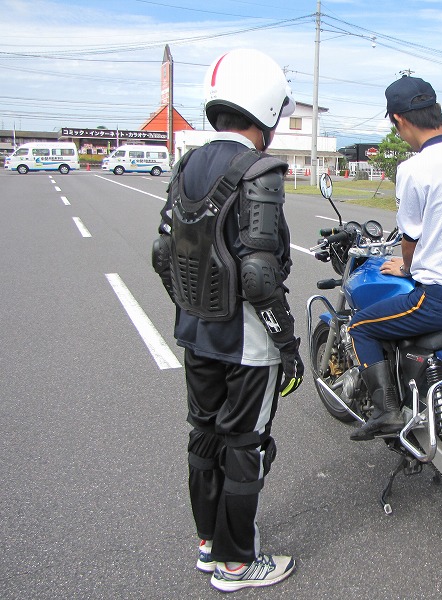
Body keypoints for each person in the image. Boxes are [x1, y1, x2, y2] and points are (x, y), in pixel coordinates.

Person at [151, 48, 303, 592]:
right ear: (265, 107)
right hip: (246, 340)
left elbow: (163, 254)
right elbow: (260, 274)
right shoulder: (258, 170)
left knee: (205, 435)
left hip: (196, 331)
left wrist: (193, 303)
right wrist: (286, 340)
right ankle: (237, 564)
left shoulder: (187, 164)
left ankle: (209, 545)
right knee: (245, 443)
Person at [346, 75, 442, 441]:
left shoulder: (414, 168)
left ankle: (388, 413)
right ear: (436, 111)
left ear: (398, 120)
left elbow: (409, 241)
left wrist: (407, 265)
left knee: (361, 327)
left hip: (441, 299)